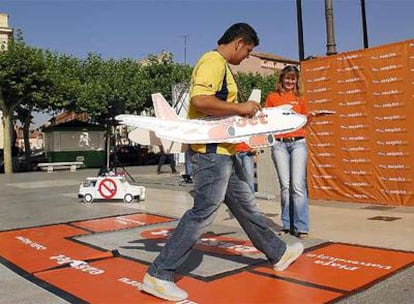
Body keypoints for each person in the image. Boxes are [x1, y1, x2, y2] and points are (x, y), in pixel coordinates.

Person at [141, 23, 304, 302]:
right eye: (249, 51)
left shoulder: (222, 66)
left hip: (226, 152)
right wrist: (241, 108)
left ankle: (277, 251)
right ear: (239, 43)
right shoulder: (212, 61)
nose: (246, 57)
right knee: (203, 212)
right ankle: (158, 274)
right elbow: (200, 99)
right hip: (211, 151)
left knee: (245, 207)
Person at [264, 65, 313, 240]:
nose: (290, 81)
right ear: (282, 79)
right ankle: (287, 224)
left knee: (298, 186)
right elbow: (266, 120)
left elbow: (305, 123)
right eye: (287, 78)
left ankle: (301, 226)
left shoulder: (301, 98)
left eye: (293, 78)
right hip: (279, 144)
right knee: (285, 186)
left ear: (296, 80)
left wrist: (309, 119)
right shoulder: (272, 97)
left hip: (298, 143)